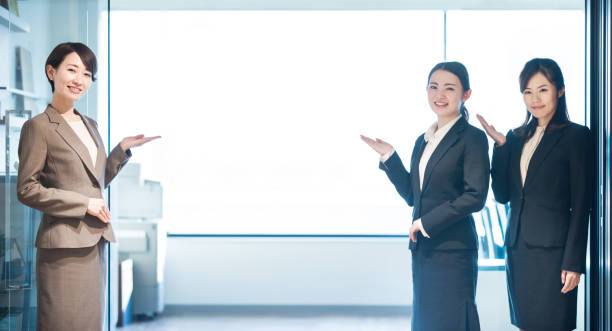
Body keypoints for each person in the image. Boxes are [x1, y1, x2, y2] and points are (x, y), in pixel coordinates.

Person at [16, 42, 160, 331]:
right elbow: (27, 189)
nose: (79, 79)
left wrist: (121, 150)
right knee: (61, 323)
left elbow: (95, 181)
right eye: (72, 70)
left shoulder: (90, 125)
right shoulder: (39, 127)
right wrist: (83, 204)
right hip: (63, 246)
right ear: (51, 71)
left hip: (96, 241)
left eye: (87, 74)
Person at [361, 61, 489, 331]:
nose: (439, 95)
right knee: (426, 323)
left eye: (449, 88)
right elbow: (413, 195)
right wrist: (389, 157)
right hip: (425, 251)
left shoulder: (472, 138)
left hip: (454, 252)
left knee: (452, 322)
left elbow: (475, 196)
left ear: (466, 94)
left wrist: (427, 222)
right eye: (434, 87)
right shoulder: (423, 140)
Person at [477, 58, 593, 331]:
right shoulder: (515, 137)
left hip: (554, 255)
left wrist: (574, 262)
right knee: (527, 325)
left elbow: (581, 204)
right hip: (518, 250)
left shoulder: (577, 136)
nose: (535, 99)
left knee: (553, 324)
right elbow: (503, 195)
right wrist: (501, 148)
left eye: (542, 89)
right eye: (528, 92)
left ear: (560, 90)